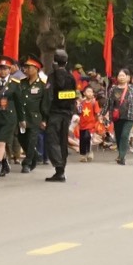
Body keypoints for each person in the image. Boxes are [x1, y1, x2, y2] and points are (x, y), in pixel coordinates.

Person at [43, 46, 77, 182]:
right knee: (63, 141)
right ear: (66, 62)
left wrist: (44, 114)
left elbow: (48, 96)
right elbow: (73, 97)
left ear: (54, 61)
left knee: (52, 140)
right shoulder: (71, 78)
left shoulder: (52, 77)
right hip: (66, 114)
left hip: (54, 114)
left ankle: (59, 168)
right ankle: (61, 169)